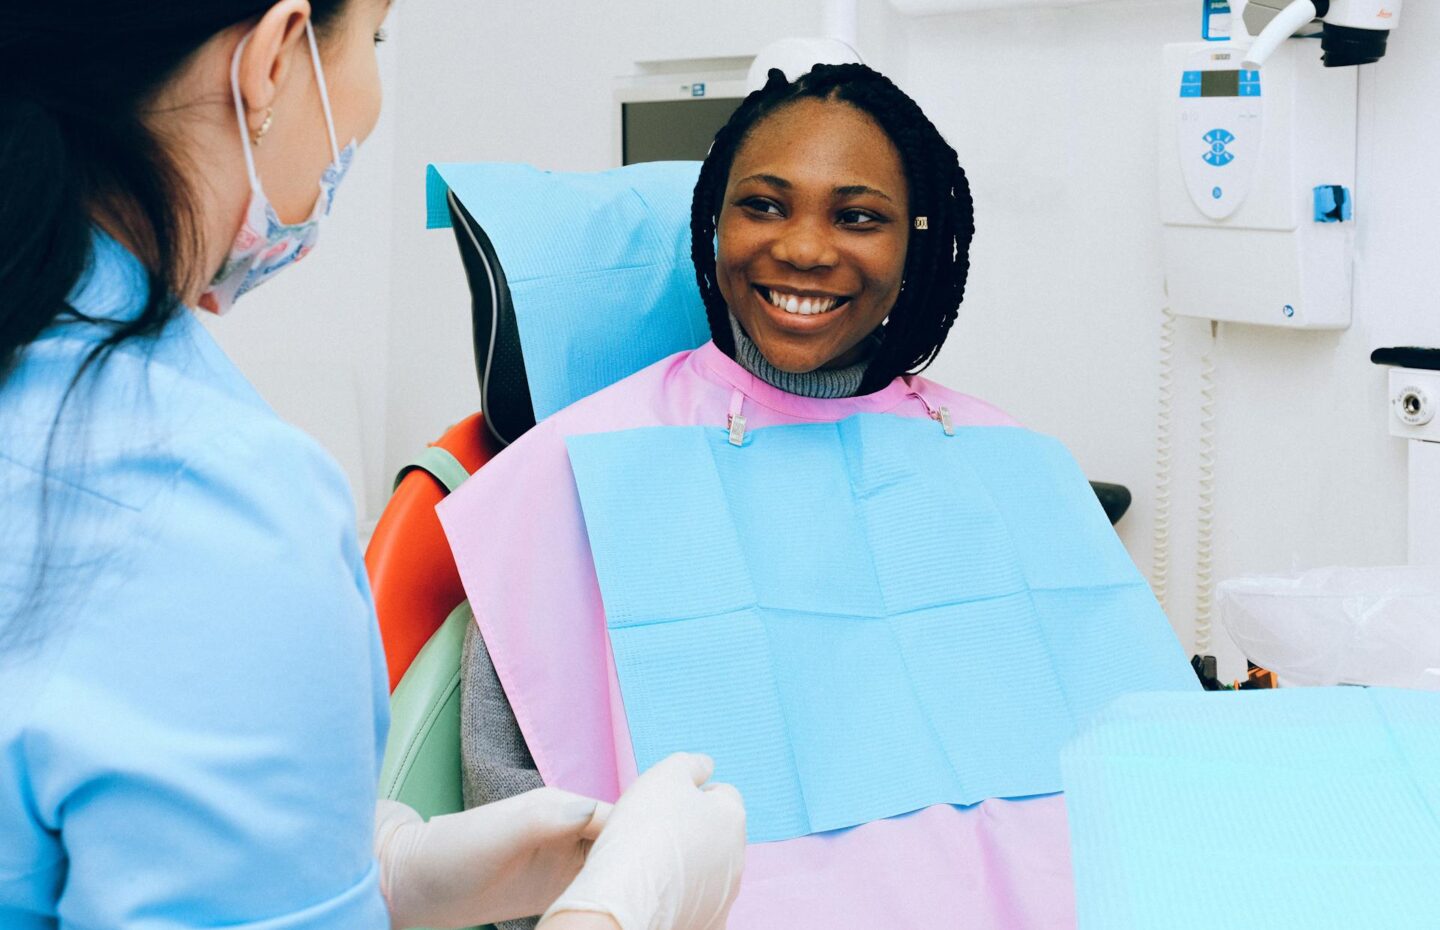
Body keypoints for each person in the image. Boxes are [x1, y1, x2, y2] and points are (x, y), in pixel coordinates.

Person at [0, 3, 745, 929]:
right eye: (377, 38)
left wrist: (375, 862)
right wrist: (613, 913)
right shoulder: (215, 504)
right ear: (274, 59)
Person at [442, 64, 1085, 930]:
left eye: (857, 216)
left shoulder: (997, 458)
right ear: (712, 225)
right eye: (766, 205)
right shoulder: (582, 462)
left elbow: (1108, 751)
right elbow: (507, 784)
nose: (805, 249)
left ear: (915, 248)